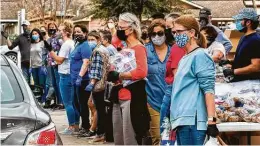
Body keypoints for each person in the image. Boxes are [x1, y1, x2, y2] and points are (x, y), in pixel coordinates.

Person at [170, 15, 219, 145]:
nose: (176, 35)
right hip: (182, 121)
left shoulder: (200, 55)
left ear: (192, 33)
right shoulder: (185, 58)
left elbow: (209, 91)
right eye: (173, 32)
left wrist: (212, 122)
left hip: (193, 122)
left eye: (179, 31)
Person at [107, 12, 150, 145]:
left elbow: (142, 72)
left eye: (121, 28)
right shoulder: (125, 47)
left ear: (131, 29)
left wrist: (120, 75)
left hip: (132, 97)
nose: (118, 30)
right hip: (119, 95)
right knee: (119, 136)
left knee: (129, 136)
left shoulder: (139, 48)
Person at [46, 22, 79, 134]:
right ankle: (76, 125)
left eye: (60, 30)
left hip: (65, 75)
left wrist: (50, 51)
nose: (58, 32)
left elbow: (60, 60)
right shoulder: (72, 42)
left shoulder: (66, 44)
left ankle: (71, 126)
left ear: (65, 32)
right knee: (73, 102)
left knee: (68, 103)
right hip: (71, 73)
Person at [160, 13, 185, 145]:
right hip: (177, 93)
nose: (167, 31)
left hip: (174, 93)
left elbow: (177, 76)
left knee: (167, 133)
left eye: (169, 28)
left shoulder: (177, 47)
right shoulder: (182, 46)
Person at [145, 19, 171, 145]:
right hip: (152, 100)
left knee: (171, 138)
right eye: (153, 34)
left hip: (172, 101)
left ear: (166, 33)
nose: (157, 37)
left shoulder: (174, 51)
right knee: (157, 138)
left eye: (160, 33)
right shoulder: (145, 51)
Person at [222, 8, 260, 82]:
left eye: (240, 20)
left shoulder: (255, 40)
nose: (238, 23)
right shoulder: (244, 37)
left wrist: (233, 71)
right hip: (240, 81)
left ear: (248, 22)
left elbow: (256, 66)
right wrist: (230, 61)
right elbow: (244, 59)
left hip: (250, 84)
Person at [70, 24, 92, 137]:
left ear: (85, 33)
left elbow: (86, 62)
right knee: (77, 104)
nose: (77, 34)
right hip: (75, 80)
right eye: (75, 32)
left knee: (83, 104)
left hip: (83, 80)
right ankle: (83, 126)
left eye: (79, 32)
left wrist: (80, 76)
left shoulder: (85, 46)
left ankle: (86, 127)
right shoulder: (77, 45)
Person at [46, 22, 64, 109]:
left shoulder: (59, 38)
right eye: (50, 27)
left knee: (58, 83)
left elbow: (62, 49)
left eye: (53, 27)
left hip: (57, 63)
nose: (52, 29)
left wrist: (58, 60)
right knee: (53, 84)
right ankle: (56, 101)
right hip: (50, 63)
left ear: (56, 28)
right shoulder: (49, 39)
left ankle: (61, 102)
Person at [30, 28, 48, 103]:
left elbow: (48, 53)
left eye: (36, 33)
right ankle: (39, 100)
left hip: (41, 66)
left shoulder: (43, 43)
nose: (34, 35)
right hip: (34, 67)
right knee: (36, 85)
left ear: (39, 34)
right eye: (33, 34)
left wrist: (45, 64)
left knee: (43, 84)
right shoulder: (31, 44)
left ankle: (45, 100)